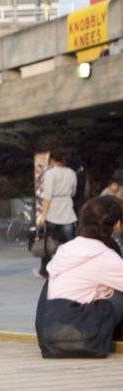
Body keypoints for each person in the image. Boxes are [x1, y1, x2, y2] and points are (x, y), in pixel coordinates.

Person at [37, 196, 123, 358]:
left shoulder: (66, 249)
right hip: (83, 336)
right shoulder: (104, 256)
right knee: (119, 293)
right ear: (117, 224)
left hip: (50, 336)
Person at [37, 147, 79, 279]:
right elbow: (73, 192)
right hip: (67, 210)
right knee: (68, 244)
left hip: (53, 212)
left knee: (48, 244)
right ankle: (70, 270)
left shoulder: (51, 173)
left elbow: (47, 197)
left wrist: (43, 216)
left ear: (52, 160)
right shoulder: (71, 173)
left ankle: (45, 270)